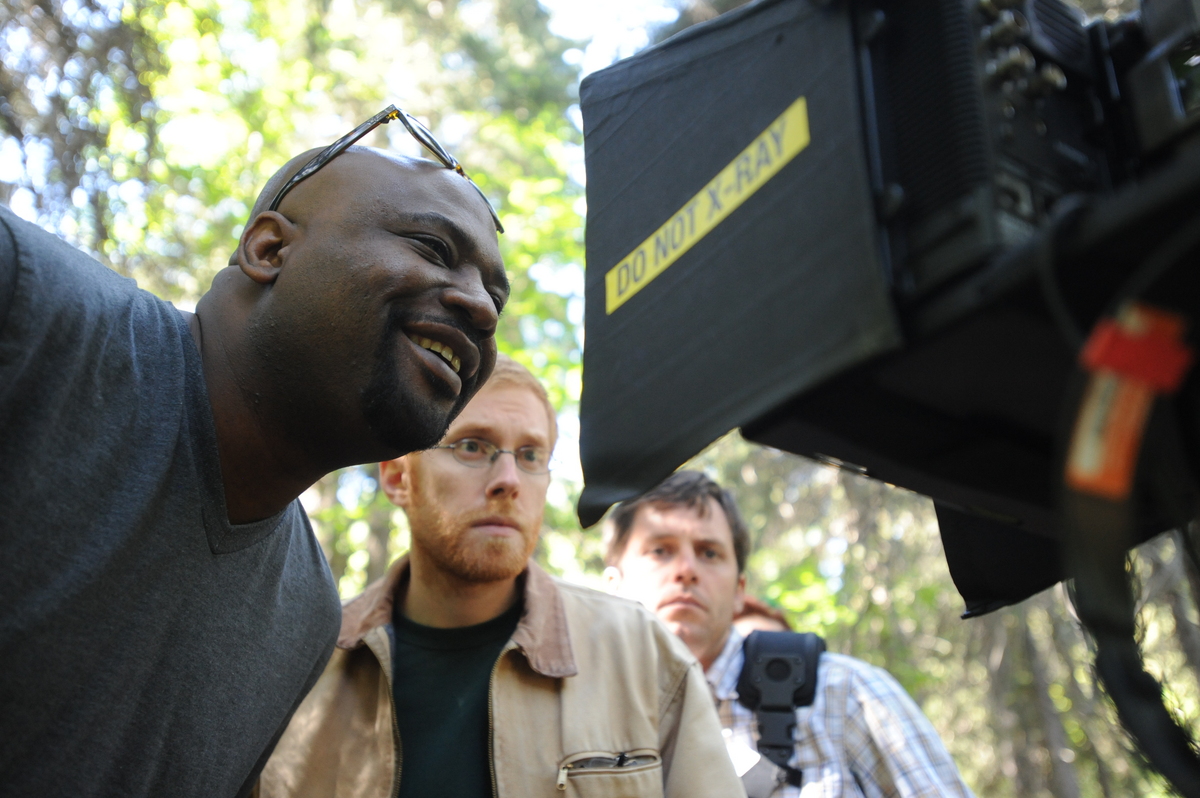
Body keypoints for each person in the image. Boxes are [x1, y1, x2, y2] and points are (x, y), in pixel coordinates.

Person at [0, 105, 508, 798]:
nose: (480, 308)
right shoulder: (28, 309)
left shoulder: (306, 612)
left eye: (495, 296)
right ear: (269, 250)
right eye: (431, 248)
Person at [255, 356, 744, 798]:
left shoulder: (640, 655)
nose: (509, 480)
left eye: (530, 455)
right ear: (399, 478)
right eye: (472, 446)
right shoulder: (304, 671)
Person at [605, 470, 977, 798]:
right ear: (612, 585)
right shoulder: (580, 719)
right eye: (660, 550)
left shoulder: (845, 694)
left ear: (739, 590)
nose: (686, 570)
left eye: (709, 552)